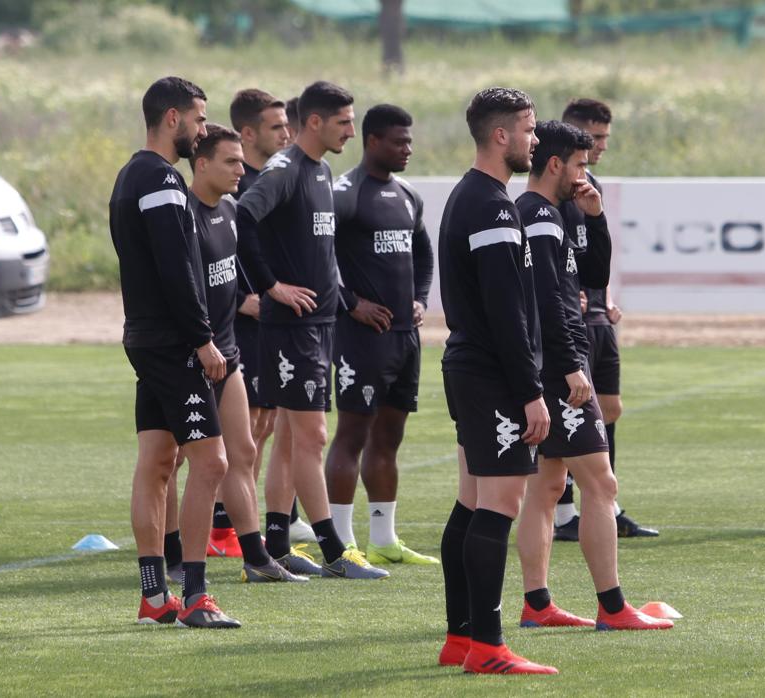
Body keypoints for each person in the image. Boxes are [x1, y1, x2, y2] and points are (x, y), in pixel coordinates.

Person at [515, 120, 673, 631]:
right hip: (557, 368)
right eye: (581, 164)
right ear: (556, 163)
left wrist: (596, 218)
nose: (588, 174)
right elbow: (545, 303)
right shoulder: (536, 217)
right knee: (601, 485)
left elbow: (593, 281)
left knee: (546, 486)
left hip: (552, 362)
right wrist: (568, 368)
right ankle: (612, 607)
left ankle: (537, 605)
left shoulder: (557, 211)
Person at [235, 80, 386, 579]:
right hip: (292, 327)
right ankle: (334, 551)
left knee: (289, 440)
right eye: (343, 121)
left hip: (319, 324)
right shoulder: (285, 170)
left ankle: (276, 544)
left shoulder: (320, 171)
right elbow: (242, 218)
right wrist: (270, 286)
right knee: (313, 436)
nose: (351, 129)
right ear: (315, 122)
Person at [108, 76, 239, 627]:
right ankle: (196, 597)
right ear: (171, 119)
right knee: (212, 462)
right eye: (199, 119)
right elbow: (175, 268)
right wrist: (202, 338)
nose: (203, 129)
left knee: (159, 462)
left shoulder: (130, 175)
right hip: (172, 342)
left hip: (146, 337)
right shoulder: (161, 179)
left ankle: (154, 595)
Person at [435, 87, 557, 675]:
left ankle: (461, 639)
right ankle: (487, 646)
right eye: (530, 130)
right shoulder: (489, 205)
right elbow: (506, 309)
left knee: (471, 504)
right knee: (499, 507)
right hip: (490, 374)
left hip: (472, 367)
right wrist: (531, 391)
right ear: (501, 136)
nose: (537, 140)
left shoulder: (475, 196)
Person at [185, 124, 308, 582]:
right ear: (202, 164)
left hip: (228, 352)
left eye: (242, 161)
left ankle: (256, 559)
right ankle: (169, 556)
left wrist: (255, 297)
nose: (241, 170)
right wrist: (204, 341)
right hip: (191, 355)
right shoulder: (183, 215)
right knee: (172, 460)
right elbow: (180, 288)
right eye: (231, 162)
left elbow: (232, 277)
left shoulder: (232, 210)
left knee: (242, 451)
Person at [324, 104, 437, 564]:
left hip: (405, 338)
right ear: (372, 141)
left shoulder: (408, 195)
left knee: (390, 436)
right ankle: (341, 540)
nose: (407, 149)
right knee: (352, 434)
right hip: (360, 340)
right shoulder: (345, 193)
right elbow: (310, 256)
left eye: (409, 141)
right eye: (398, 141)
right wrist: (350, 303)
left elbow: (424, 255)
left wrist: (421, 299)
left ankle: (384, 539)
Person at [554, 98, 658, 540]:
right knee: (572, 412)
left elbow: (590, 252)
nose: (600, 147)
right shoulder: (554, 191)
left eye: (604, 139)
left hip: (598, 314)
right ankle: (565, 515)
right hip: (573, 318)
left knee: (609, 408)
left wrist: (606, 295)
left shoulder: (588, 182)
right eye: (594, 139)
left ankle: (605, 505)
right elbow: (555, 255)